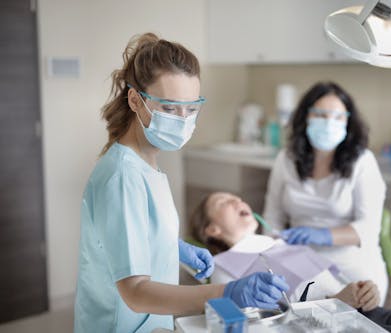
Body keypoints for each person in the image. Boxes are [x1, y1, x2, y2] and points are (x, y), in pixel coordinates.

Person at [74, 33, 288, 333]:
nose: (183, 119)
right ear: (135, 100)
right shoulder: (123, 176)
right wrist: (226, 293)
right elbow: (135, 292)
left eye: (191, 108)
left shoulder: (146, 163)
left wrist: (173, 247)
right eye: (169, 108)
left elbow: (128, 232)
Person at [189, 191, 391, 333]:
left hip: (370, 311)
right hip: (331, 326)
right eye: (222, 203)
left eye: (238, 197)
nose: (237, 201)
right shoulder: (224, 267)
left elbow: (335, 285)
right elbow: (260, 325)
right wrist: (335, 302)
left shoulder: (279, 243)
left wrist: (365, 292)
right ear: (211, 230)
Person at [263, 81, 390, 303]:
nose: (329, 122)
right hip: (300, 262)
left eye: (337, 116)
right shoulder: (286, 159)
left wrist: (323, 235)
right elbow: (272, 217)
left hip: (352, 263)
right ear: (305, 117)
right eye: (320, 115)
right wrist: (273, 248)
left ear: (348, 121)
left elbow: (368, 228)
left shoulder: (363, 161)